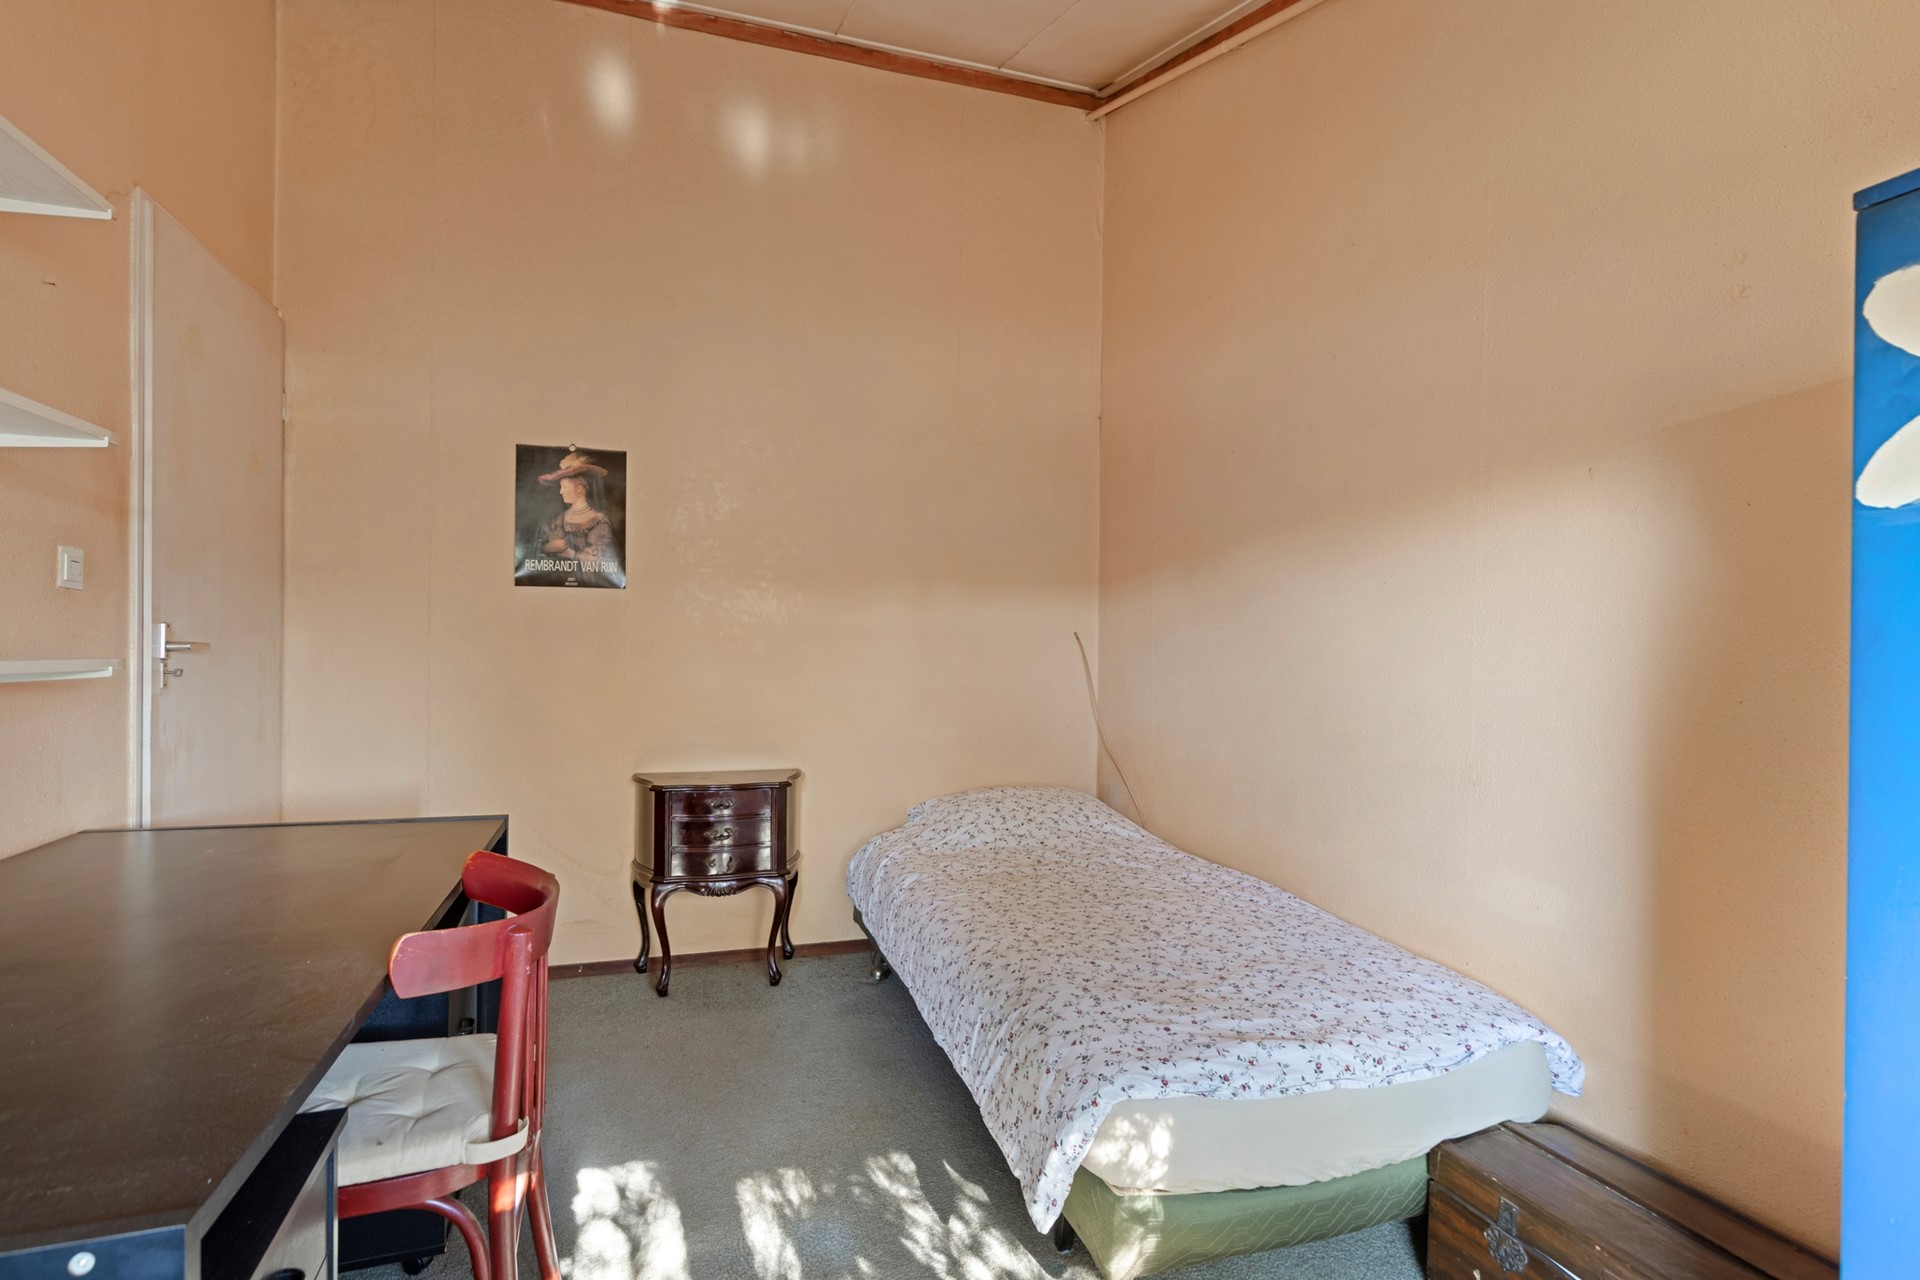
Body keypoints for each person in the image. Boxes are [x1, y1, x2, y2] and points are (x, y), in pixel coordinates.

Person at [538, 450, 619, 572]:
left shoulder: (598, 521)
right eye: (561, 487)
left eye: (564, 487)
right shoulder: (560, 518)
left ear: (579, 489)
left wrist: (570, 553)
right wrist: (547, 547)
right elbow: (540, 550)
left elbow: (602, 562)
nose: (561, 491)